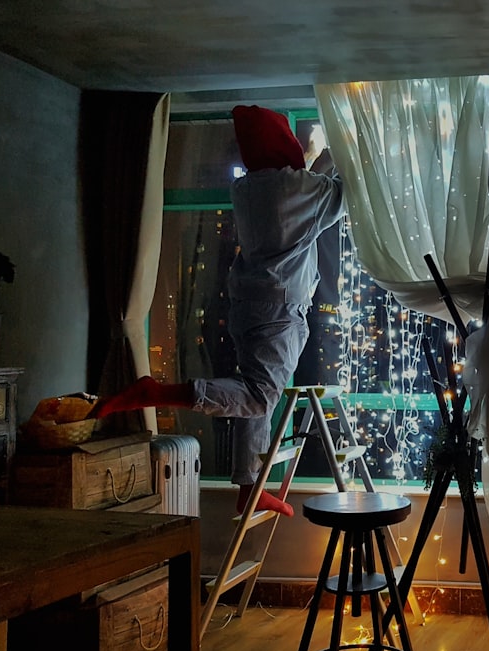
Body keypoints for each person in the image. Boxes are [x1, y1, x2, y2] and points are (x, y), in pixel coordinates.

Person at [93, 105, 345, 517]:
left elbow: (317, 188)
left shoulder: (252, 188)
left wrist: (334, 148)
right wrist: (345, 143)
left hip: (257, 304)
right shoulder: (292, 191)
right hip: (277, 309)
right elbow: (338, 197)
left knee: (255, 392)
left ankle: (249, 486)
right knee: (259, 397)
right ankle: (157, 393)